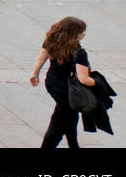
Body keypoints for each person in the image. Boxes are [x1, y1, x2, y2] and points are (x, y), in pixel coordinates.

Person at [30, 16, 95, 148]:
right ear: (73, 34)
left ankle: (73, 144)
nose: (84, 34)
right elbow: (84, 79)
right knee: (58, 124)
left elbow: (41, 59)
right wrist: (98, 83)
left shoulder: (51, 41)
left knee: (70, 115)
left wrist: (35, 74)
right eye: (82, 31)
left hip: (52, 83)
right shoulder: (79, 52)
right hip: (68, 90)